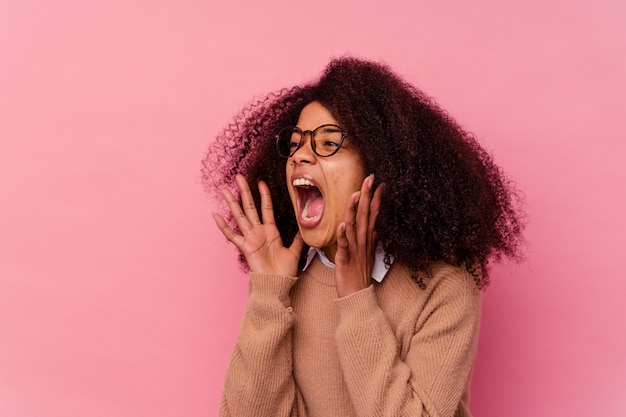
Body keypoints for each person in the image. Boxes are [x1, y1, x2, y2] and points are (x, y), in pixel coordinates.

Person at [203, 57, 524, 417]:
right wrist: (268, 290)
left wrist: (357, 299)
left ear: (381, 164)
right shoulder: (288, 280)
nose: (299, 157)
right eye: (295, 143)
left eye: (327, 143)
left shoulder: (446, 283)